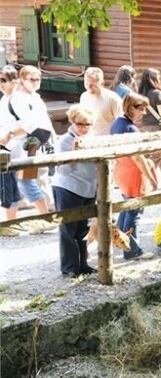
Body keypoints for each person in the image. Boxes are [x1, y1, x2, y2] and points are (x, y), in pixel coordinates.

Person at [110, 93, 157, 260]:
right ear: (131, 108)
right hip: (133, 173)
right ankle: (132, 251)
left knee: (126, 208)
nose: (144, 113)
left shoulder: (117, 123)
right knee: (134, 212)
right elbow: (138, 157)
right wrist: (151, 178)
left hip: (122, 170)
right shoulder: (130, 129)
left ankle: (119, 240)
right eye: (141, 109)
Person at [53, 105, 98, 277]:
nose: (84, 128)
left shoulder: (92, 139)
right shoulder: (65, 141)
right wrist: (74, 153)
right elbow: (62, 171)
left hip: (88, 188)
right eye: (80, 124)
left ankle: (83, 264)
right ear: (72, 122)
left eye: (88, 124)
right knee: (68, 230)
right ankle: (70, 267)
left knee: (83, 229)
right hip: (68, 188)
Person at [6, 66, 54, 217]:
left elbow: (42, 122)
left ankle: (45, 213)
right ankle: (42, 214)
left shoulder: (35, 97)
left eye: (38, 79)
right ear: (23, 80)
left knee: (34, 177)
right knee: (23, 178)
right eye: (32, 79)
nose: (36, 82)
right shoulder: (19, 98)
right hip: (24, 144)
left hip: (38, 141)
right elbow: (29, 124)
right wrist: (10, 134)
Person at [0, 65, 22, 221]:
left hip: (15, 147)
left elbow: (29, 124)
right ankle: (11, 223)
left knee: (10, 187)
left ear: (14, 81)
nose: (0, 84)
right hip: (6, 146)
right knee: (9, 186)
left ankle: (10, 224)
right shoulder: (4, 99)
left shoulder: (18, 100)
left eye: (3, 80)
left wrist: (10, 134)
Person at [79, 67, 123, 137]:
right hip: (89, 139)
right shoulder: (84, 97)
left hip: (107, 140)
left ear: (102, 83)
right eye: (86, 84)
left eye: (93, 84)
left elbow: (121, 122)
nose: (89, 87)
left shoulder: (112, 99)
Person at [137, 68, 161, 132]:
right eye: (158, 78)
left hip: (143, 126)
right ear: (155, 80)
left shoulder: (139, 95)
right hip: (156, 126)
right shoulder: (157, 93)